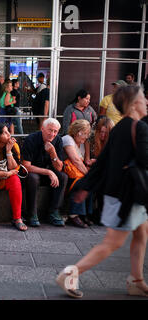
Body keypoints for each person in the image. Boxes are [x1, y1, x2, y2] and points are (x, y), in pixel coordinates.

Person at [56, 85, 148, 299]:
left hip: (120, 194)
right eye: (143, 98)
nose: (146, 102)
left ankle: (136, 280)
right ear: (134, 104)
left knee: (142, 232)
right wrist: (84, 187)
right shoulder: (139, 128)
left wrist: (84, 187)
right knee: (112, 243)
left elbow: (102, 162)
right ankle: (70, 274)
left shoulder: (121, 128)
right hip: (127, 195)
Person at [21, 118, 68, 227]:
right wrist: (48, 172)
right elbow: (26, 166)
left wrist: (53, 153)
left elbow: (59, 167)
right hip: (33, 172)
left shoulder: (58, 140)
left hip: (48, 173)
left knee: (63, 177)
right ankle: (31, 214)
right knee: (33, 178)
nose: (52, 134)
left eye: (55, 131)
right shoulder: (31, 139)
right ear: (42, 128)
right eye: (50, 130)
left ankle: (53, 212)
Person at [62, 120, 94, 228]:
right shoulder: (68, 139)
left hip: (77, 173)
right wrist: (87, 174)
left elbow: (85, 161)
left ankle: (84, 214)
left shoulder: (83, 143)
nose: (85, 136)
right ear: (77, 132)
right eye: (84, 133)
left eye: (87, 134)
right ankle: (73, 214)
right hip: (66, 173)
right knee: (82, 183)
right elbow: (75, 160)